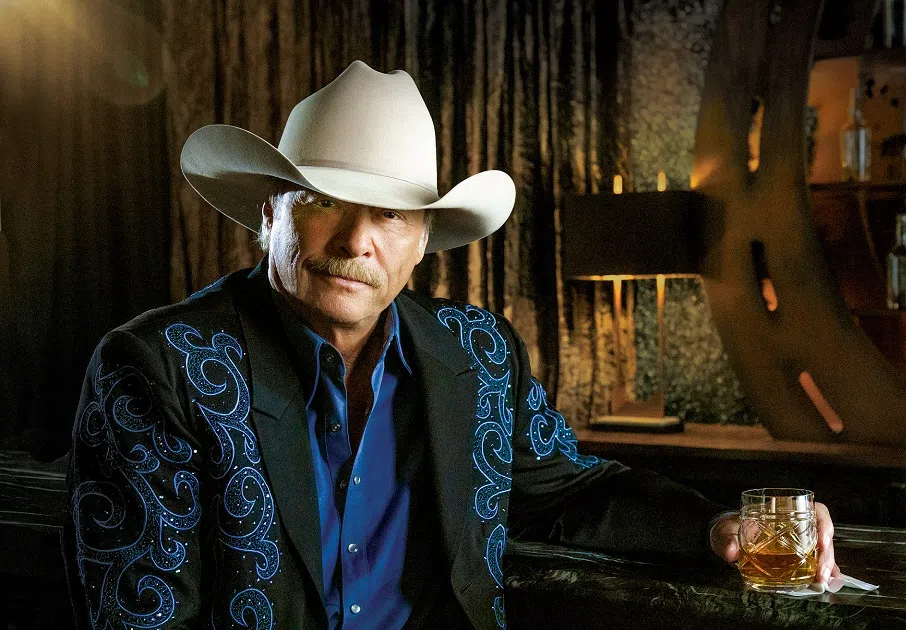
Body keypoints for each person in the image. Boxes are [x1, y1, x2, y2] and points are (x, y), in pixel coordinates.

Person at [63, 60, 838, 630]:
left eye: (390, 214)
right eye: (325, 201)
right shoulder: (161, 368)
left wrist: (719, 526)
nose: (357, 240)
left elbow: (571, 492)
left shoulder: (480, 353)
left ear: (424, 241)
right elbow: (142, 617)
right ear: (272, 212)